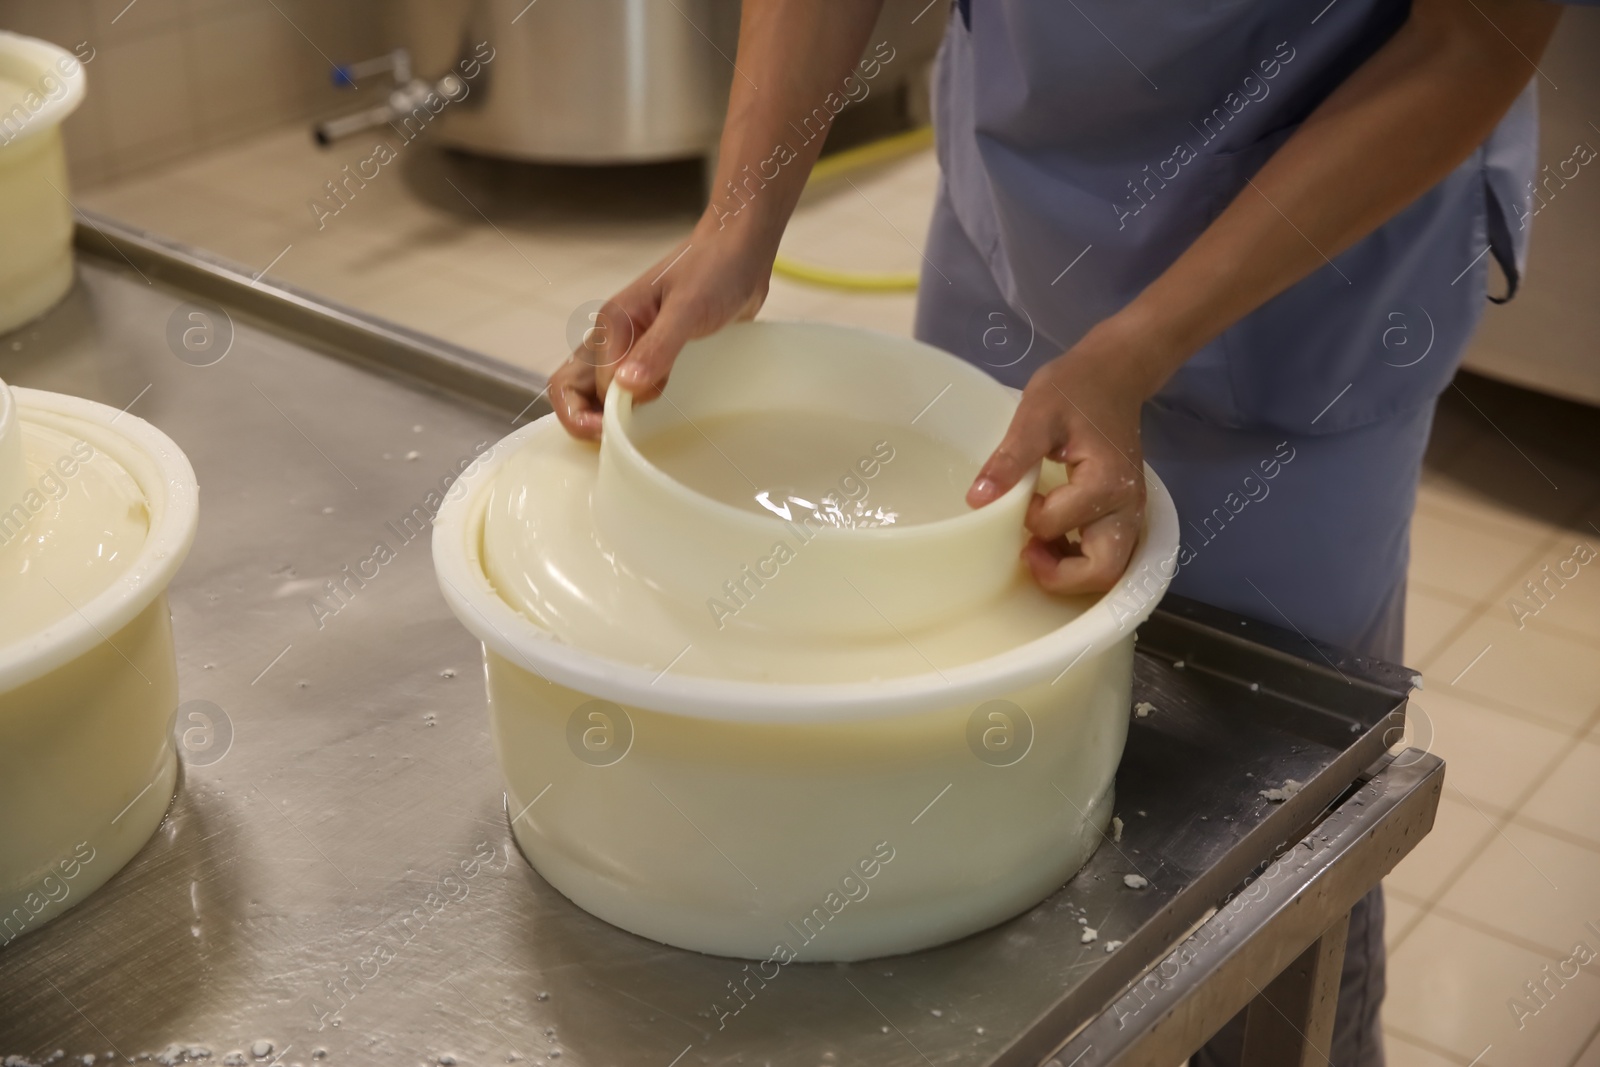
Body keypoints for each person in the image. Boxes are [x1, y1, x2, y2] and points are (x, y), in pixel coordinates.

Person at [549, 1, 1575, 1062]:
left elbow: (1470, 40)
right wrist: (739, 218)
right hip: (1025, 211)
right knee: (957, 770)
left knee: (1255, 839)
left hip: (1304, 315)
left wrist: (1138, 346)